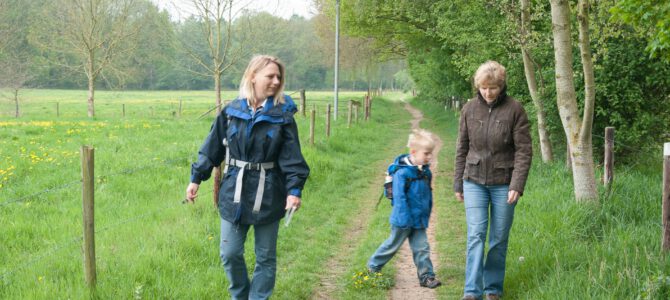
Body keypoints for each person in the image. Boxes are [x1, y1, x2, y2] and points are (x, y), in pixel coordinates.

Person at [185, 55, 309, 300]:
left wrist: (294, 191)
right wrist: (196, 177)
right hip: (234, 191)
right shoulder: (232, 111)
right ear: (253, 76)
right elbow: (212, 147)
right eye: (270, 76)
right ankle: (240, 296)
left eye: (278, 77)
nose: (276, 81)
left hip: (270, 191)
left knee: (265, 257)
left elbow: (292, 158)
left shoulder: (283, 115)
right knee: (229, 252)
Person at [454, 60, 532, 300]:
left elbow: (524, 151)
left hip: (504, 183)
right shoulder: (469, 109)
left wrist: (516, 185)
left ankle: (493, 289)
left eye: (493, 88)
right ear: (478, 86)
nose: (488, 93)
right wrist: (458, 181)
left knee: (498, 238)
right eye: (484, 88)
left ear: (502, 86)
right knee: (476, 234)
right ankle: (471, 291)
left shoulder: (515, 109)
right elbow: (462, 147)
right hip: (474, 180)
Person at [367, 129, 442, 289]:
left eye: (431, 154)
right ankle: (373, 266)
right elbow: (399, 200)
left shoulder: (425, 172)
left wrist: (426, 214)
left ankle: (427, 276)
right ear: (414, 152)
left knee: (422, 248)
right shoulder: (402, 174)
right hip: (403, 220)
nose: (429, 157)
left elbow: (427, 195)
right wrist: (403, 220)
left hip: (419, 220)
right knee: (392, 246)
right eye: (426, 153)